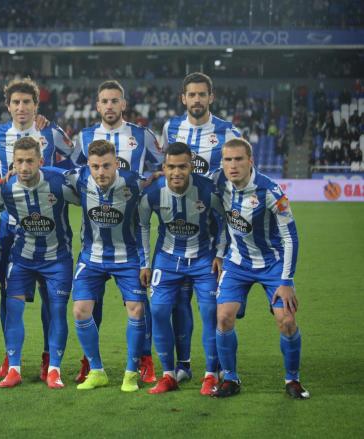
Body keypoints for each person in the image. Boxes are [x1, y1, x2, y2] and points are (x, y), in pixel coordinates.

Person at [0, 78, 76, 381]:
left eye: (27, 102)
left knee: (53, 298)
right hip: (10, 228)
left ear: (37, 106)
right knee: (8, 293)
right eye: (16, 103)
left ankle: (50, 360)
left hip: (48, 227)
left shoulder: (51, 132)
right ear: (7, 106)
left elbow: (75, 164)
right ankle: (11, 360)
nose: (21, 108)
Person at [71, 80, 162, 384]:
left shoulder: (142, 136)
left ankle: (141, 362)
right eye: (104, 101)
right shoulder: (84, 138)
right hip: (94, 244)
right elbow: (66, 173)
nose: (109, 106)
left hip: (131, 240)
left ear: (123, 104)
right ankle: (92, 364)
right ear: (97, 106)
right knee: (84, 307)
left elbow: (163, 168)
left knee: (139, 308)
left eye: (114, 101)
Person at [211, 138, 309, 399]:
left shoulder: (271, 192)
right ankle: (230, 378)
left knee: (286, 321)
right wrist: (220, 253)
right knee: (222, 318)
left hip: (273, 265)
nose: (233, 165)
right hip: (237, 262)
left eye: (239, 159)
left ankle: (292, 380)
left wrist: (286, 281)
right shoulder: (218, 182)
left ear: (250, 161)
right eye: (228, 160)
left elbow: (291, 238)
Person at [160, 72, 241, 384]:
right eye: (191, 95)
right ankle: (184, 364)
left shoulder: (227, 130)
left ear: (211, 97)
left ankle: (217, 366)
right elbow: (168, 168)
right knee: (179, 304)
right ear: (183, 98)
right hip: (180, 230)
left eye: (201, 95)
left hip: (214, 231)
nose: (196, 100)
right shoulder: (171, 128)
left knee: (213, 306)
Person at [139, 142, 225, 395]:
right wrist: (145, 262)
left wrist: (220, 254)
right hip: (167, 259)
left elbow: (225, 222)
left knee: (210, 312)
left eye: (182, 167)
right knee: (158, 310)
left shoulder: (208, 191)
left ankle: (211, 374)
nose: (176, 172)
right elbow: (143, 225)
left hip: (203, 258)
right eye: (171, 167)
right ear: (163, 167)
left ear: (191, 167)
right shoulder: (153, 192)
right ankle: (168, 374)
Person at [0, 137, 79, 389]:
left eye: (30, 161)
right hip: (23, 259)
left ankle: (54, 369)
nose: (24, 167)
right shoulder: (7, 189)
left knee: (56, 310)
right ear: (13, 163)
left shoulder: (58, 183)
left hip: (57, 259)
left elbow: (88, 192)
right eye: (19, 161)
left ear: (40, 161)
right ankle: (14, 369)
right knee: (13, 310)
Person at [66, 139, 149, 392]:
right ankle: (97, 370)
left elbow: (150, 208)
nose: (100, 172)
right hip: (92, 257)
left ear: (116, 164)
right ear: (88, 166)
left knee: (136, 310)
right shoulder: (79, 178)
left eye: (106, 166)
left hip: (127, 257)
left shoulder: (134, 183)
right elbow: (50, 173)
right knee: (80, 311)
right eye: (95, 166)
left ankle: (131, 373)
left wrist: (146, 263)